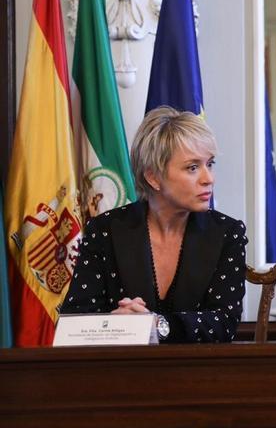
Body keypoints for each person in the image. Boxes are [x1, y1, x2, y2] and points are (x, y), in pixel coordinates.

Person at [61, 107, 248, 343]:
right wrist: (117, 325)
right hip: (121, 373)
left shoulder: (227, 233)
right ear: (153, 177)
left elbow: (224, 322)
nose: (208, 178)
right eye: (192, 167)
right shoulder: (105, 230)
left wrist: (156, 325)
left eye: (209, 164)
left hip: (198, 374)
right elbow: (76, 317)